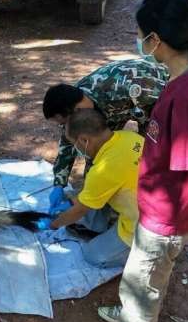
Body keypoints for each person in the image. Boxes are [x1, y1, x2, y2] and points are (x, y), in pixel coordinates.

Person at [81, 0, 188, 322]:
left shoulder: (187, 95)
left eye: (140, 34)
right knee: (143, 275)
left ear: (156, 39)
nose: (139, 41)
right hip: (158, 206)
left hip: (167, 216)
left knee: (144, 277)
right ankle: (133, 312)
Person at [43, 58, 168, 215]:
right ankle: (102, 210)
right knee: (97, 165)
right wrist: (59, 184)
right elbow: (69, 143)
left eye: (64, 122)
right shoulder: (74, 103)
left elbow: (160, 118)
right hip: (125, 110)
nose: (64, 126)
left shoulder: (127, 87)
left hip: (154, 100)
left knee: (149, 158)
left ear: (75, 112)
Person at [36, 109, 143, 269]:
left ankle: (145, 253)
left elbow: (79, 210)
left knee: (93, 256)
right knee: (77, 197)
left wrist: (53, 224)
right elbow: (93, 193)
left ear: (84, 140)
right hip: (154, 203)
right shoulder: (129, 137)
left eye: (75, 144)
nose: (76, 149)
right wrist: (70, 202)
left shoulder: (102, 171)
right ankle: (101, 225)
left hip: (147, 226)